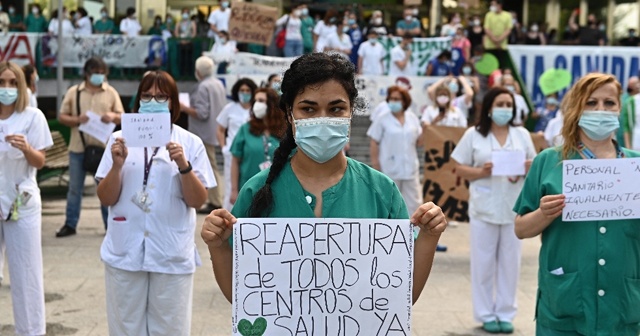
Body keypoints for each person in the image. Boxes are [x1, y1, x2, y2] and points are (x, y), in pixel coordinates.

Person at [201, 52, 447, 305]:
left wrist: (429, 236)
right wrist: (218, 246)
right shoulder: (256, 190)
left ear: (351, 113)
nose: (322, 118)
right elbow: (244, 296)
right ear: (289, 114)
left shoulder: (381, 191)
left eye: (336, 109)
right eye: (308, 109)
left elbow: (401, 295)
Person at [513, 73, 640, 335]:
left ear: (619, 108)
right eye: (591, 103)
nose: (601, 110)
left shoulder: (634, 165)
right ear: (576, 108)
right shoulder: (548, 161)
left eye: (609, 103)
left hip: (622, 304)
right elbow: (521, 229)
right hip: (565, 301)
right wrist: (544, 213)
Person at [96, 70, 215, 336]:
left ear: (173, 102)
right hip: (125, 249)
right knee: (126, 327)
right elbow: (106, 198)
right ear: (137, 101)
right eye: (147, 96)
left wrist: (184, 166)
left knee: (170, 328)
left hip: (170, 251)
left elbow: (198, 200)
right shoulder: (119, 140)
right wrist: (117, 167)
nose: (153, 101)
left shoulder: (190, 143)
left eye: (161, 97)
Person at [452, 86, 536, 334]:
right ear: (489, 108)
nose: (505, 109)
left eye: (509, 105)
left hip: (513, 208)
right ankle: (486, 313)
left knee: (511, 264)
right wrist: (481, 172)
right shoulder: (474, 135)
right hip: (484, 208)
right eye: (500, 104)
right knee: (483, 264)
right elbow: (458, 167)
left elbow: (534, 165)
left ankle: (506, 312)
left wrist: (527, 166)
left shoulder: (521, 134)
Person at [0, 60, 51, 336]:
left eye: (12, 83)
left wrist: (27, 148)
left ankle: (31, 331)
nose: (6, 88)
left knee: (26, 274)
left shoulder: (33, 116)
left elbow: (40, 161)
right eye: (2, 82)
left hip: (22, 201)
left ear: (21, 86)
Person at [57, 57, 124, 237]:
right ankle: (70, 223)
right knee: (74, 188)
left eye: (102, 73)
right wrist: (78, 120)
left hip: (104, 149)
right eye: (96, 73)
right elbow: (62, 117)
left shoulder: (110, 92)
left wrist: (112, 116)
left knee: (106, 187)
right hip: (79, 148)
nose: (99, 76)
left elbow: (122, 115)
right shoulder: (74, 92)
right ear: (87, 74)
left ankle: (110, 225)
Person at [179, 56, 226, 214]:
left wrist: (184, 108)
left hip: (203, 132)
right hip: (215, 130)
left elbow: (201, 113)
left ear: (198, 71)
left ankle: (215, 201)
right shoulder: (218, 83)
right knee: (212, 166)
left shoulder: (203, 87)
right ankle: (214, 199)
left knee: (210, 167)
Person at [368, 85, 422, 220]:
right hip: (389, 167)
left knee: (414, 204)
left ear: (404, 101)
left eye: (397, 99)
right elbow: (374, 141)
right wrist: (376, 165)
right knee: (389, 203)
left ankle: (415, 237)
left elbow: (419, 141)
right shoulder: (382, 118)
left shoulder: (412, 118)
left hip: (410, 167)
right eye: (391, 98)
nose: (393, 101)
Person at [229, 88, 285, 205]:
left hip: (279, 188)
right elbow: (235, 161)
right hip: (249, 188)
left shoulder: (284, 130)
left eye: (261, 100)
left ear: (271, 104)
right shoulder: (246, 129)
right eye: (255, 101)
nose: (256, 104)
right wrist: (234, 190)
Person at [216, 78, 256, 210]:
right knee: (230, 186)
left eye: (247, 90)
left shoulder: (257, 109)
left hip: (250, 154)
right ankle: (228, 214)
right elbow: (220, 130)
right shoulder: (229, 108)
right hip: (232, 153)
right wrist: (223, 147)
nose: (244, 93)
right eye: (242, 90)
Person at [483, 0, 513, 68]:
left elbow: (508, 29)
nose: (492, 7)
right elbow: (486, 29)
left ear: (499, 5)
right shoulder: (488, 15)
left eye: (493, 5)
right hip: (490, 46)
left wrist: (499, 40)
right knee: (490, 66)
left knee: (502, 66)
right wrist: (494, 39)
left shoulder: (507, 15)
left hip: (502, 46)